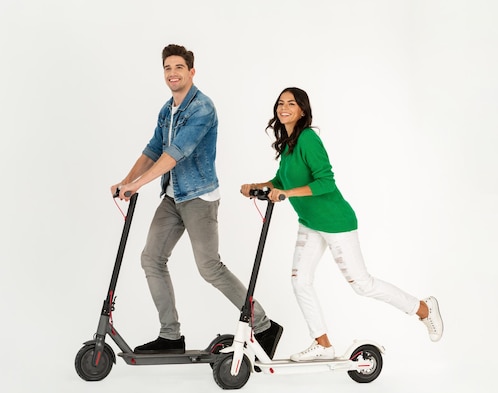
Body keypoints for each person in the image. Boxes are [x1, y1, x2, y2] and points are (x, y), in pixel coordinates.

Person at [240, 87, 443, 362]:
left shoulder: (308, 139)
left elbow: (326, 182)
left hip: (336, 222)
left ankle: (423, 309)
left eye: (291, 103)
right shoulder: (288, 144)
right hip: (310, 223)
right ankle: (322, 343)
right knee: (300, 282)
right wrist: (257, 186)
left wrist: (287, 194)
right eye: (280, 103)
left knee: (362, 284)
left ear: (302, 110)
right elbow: (281, 180)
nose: (284, 107)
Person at [112, 44, 283, 357]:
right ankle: (170, 336)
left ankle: (263, 325)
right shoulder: (167, 109)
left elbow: (175, 154)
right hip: (171, 197)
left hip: (199, 198)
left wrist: (136, 185)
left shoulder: (203, 107)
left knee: (210, 269)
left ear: (191, 71)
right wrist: (126, 181)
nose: (172, 73)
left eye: (179, 67)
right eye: (167, 68)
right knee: (151, 258)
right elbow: (153, 149)